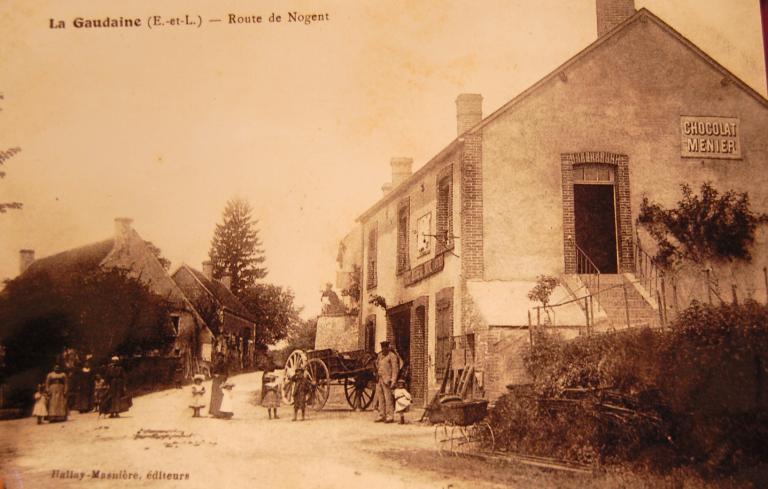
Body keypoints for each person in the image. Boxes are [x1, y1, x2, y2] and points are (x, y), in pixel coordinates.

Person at [374, 341, 399, 423]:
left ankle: (390, 416)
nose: (383, 349)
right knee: (380, 398)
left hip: (387, 380)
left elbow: (395, 369)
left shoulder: (392, 356)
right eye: (382, 348)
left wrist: (393, 381)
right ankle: (382, 415)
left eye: (385, 347)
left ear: (388, 347)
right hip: (380, 379)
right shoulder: (380, 356)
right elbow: (377, 364)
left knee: (388, 398)